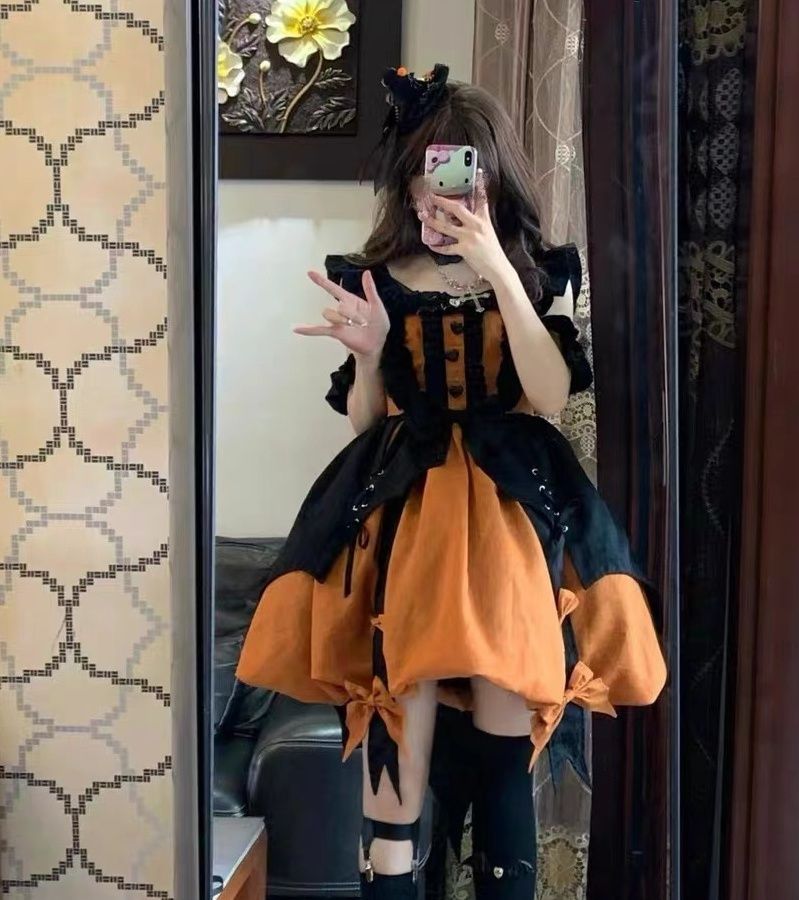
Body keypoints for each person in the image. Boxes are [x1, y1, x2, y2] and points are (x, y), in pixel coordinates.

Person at [236, 64, 667, 899]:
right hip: (403, 509)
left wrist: (499, 270)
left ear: (492, 182)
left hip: (511, 514)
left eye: (464, 180)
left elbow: (548, 396)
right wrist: (369, 355)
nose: (443, 201)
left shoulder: (541, 272)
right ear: (406, 185)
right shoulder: (375, 276)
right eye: (426, 180)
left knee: (506, 739)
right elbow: (366, 422)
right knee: (398, 712)